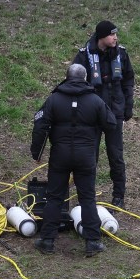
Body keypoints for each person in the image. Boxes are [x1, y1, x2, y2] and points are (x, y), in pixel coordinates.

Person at [31, 64, 117, 256]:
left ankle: (47, 240)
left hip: (60, 154)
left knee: (54, 197)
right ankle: (93, 242)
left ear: (67, 77)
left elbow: (39, 126)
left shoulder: (54, 99)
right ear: (85, 77)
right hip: (86, 155)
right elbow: (111, 124)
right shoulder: (95, 100)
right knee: (87, 198)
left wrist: (36, 153)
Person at [71, 20, 135, 208]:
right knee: (90, 157)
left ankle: (119, 195)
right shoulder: (84, 56)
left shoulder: (121, 54)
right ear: (101, 37)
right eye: (111, 34)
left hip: (115, 114)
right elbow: (75, 84)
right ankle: (87, 194)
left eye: (116, 34)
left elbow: (128, 80)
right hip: (92, 116)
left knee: (116, 156)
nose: (115, 37)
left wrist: (128, 105)